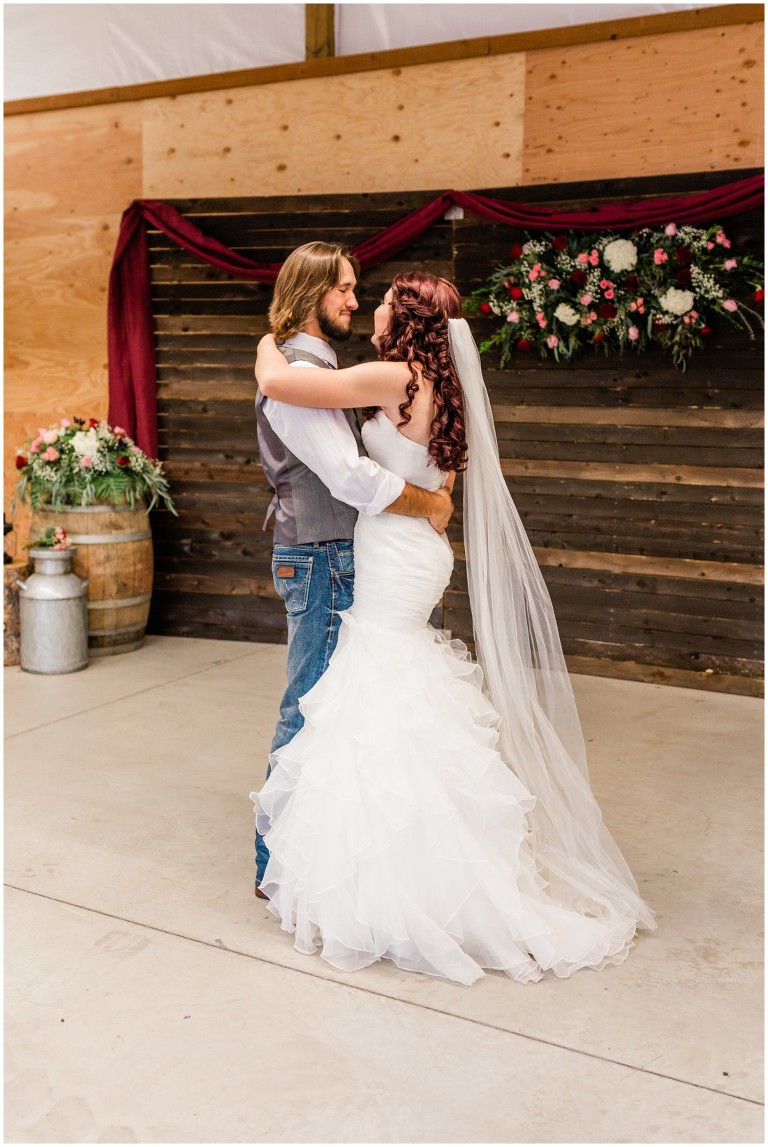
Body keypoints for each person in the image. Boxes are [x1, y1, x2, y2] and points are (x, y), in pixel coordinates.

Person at [251, 271, 656, 986]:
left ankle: (391, 876)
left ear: (404, 319)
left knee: (376, 691)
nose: (368, 305)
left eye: (378, 301)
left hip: (392, 549)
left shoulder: (392, 376)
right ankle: (429, 863)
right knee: (403, 687)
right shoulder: (445, 389)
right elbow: (438, 481)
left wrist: (264, 343)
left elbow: (284, 387)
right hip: (419, 552)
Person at [254, 243, 454, 895]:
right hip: (321, 551)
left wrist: (267, 346)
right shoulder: (308, 363)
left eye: (364, 292)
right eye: (343, 288)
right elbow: (348, 475)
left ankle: (350, 851)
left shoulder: (360, 369)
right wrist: (431, 501)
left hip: (365, 552)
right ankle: (276, 862)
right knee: (313, 701)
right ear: (312, 291)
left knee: (344, 699)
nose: (354, 299)